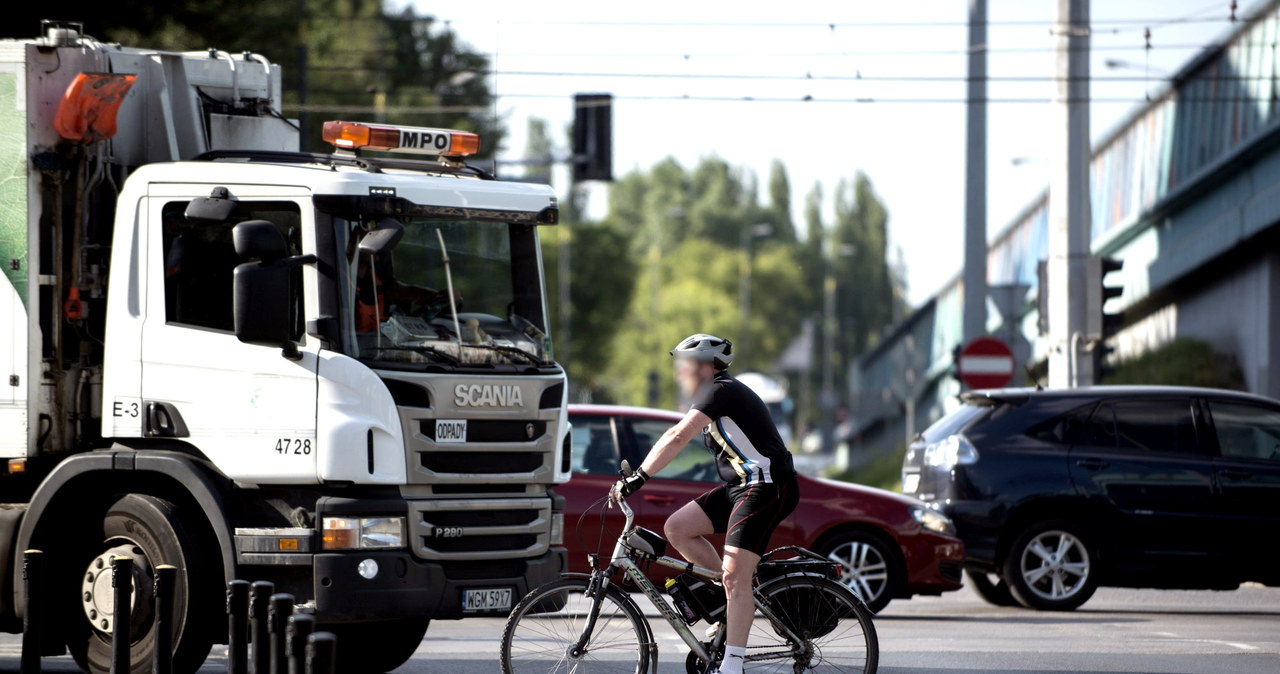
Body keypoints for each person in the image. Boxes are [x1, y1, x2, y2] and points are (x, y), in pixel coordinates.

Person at [612, 333, 799, 674]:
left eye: (683, 364)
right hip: (743, 485)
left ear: (704, 366)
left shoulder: (720, 390)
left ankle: (732, 665)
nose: (678, 372)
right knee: (678, 528)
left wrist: (639, 476)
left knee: (734, 577)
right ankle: (726, 609)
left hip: (769, 486)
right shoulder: (711, 394)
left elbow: (677, 436)